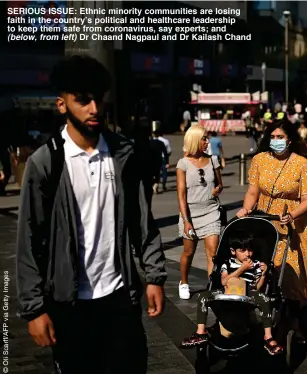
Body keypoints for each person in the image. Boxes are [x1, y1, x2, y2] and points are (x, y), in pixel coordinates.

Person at [16, 55, 166, 373]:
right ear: (62, 104)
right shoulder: (45, 163)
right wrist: (33, 309)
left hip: (119, 299)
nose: (94, 109)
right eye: (83, 101)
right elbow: (29, 238)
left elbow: (142, 218)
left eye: (98, 98)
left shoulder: (123, 154)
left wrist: (153, 275)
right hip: (69, 306)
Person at [236, 119, 307, 336]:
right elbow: (253, 192)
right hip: (264, 219)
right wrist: (245, 209)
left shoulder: (301, 163)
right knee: (261, 265)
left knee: (290, 271)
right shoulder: (259, 160)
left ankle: (294, 320)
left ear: (289, 139)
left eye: (280, 137)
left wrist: (292, 215)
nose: (276, 141)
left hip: (290, 221)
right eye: (272, 137)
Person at [180, 234, 283, 355]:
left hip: (247, 291)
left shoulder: (256, 265)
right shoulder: (227, 263)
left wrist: (264, 274)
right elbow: (224, 281)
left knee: (264, 299)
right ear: (233, 251)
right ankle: (200, 332)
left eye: (250, 250)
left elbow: (257, 287)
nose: (247, 254)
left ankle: (268, 337)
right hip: (228, 290)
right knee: (203, 296)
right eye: (243, 250)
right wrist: (242, 269)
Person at [177, 126, 224, 300]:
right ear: (195, 140)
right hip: (190, 213)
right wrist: (186, 220)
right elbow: (181, 194)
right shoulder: (183, 163)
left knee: (212, 252)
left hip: (211, 211)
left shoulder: (213, 160)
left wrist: (217, 190)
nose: (207, 142)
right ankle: (183, 282)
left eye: (207, 138)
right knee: (188, 252)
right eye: (204, 138)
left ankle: (212, 285)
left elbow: (220, 184)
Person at [150, 130, 169, 195]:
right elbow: (165, 153)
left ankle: (152, 185)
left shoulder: (149, 142)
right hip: (158, 160)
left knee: (151, 174)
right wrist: (167, 162)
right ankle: (156, 186)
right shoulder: (160, 143)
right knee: (157, 174)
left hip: (150, 160)